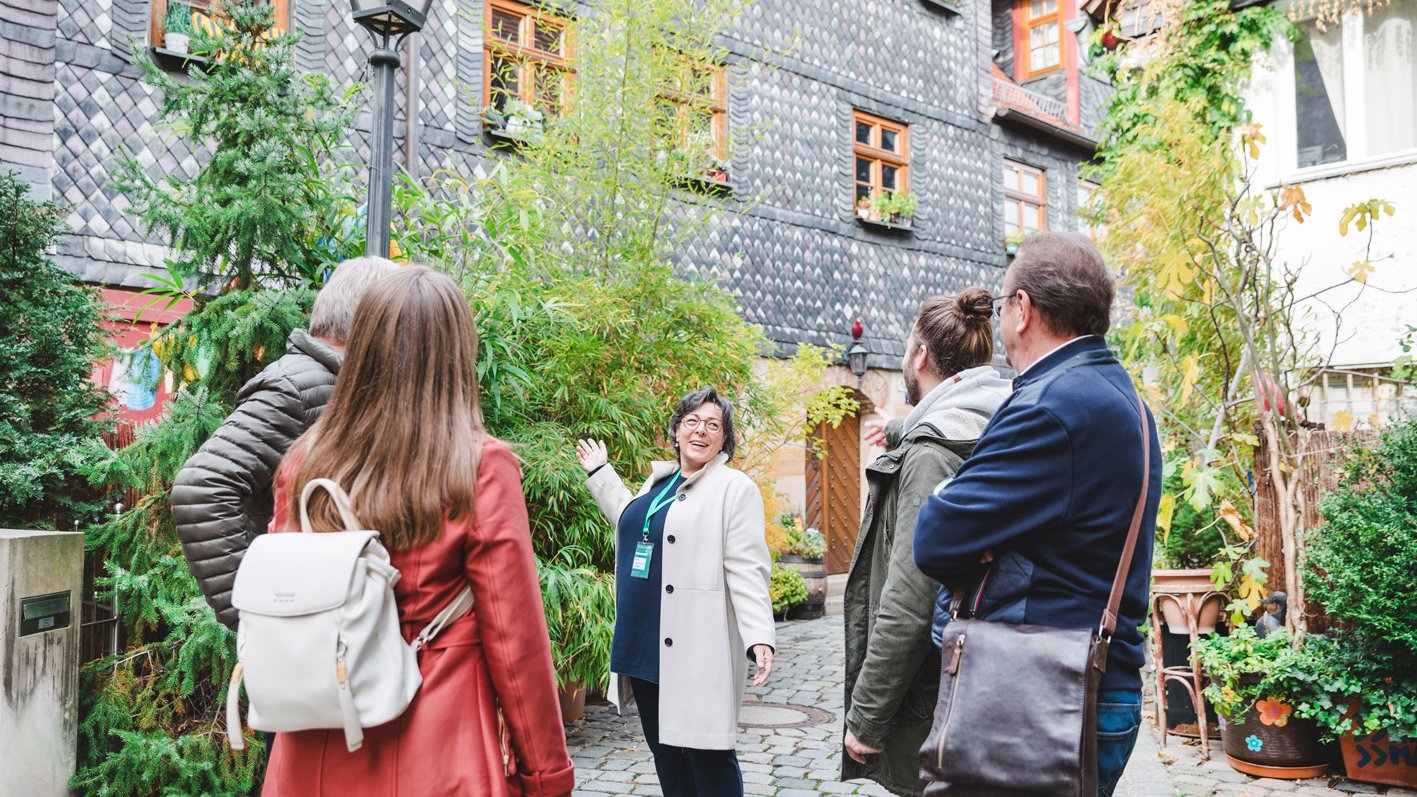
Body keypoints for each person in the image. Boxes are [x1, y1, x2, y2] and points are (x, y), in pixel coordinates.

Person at [262, 266, 574, 796]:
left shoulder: (307, 460)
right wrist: (547, 776)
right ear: (457, 355)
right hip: (439, 743)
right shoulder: (479, 468)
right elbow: (514, 637)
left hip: (316, 739)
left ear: (362, 349)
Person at [912, 231, 1162, 797]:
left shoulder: (1053, 403)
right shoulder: (1123, 398)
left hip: (1042, 689)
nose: (1000, 319)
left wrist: (959, 505)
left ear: (1022, 309)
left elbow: (934, 537)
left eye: (1002, 305)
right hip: (1087, 681)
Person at [841, 288, 1011, 797]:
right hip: (984, 681)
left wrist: (866, 716)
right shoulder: (1000, 421)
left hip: (932, 699)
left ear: (920, 356)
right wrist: (900, 431)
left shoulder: (931, 453)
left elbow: (909, 599)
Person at [172, 256, 400, 629]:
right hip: (304, 632)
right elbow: (200, 488)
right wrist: (255, 613)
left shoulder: (335, 383)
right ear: (373, 322)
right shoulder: (296, 386)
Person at [574, 387, 775, 797]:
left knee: (708, 754)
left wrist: (759, 636)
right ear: (677, 430)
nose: (701, 431)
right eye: (692, 422)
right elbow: (637, 525)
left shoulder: (733, 488)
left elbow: (748, 568)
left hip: (697, 646)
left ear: (725, 439)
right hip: (645, 640)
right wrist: (602, 476)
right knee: (665, 752)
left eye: (713, 425)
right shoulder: (661, 481)